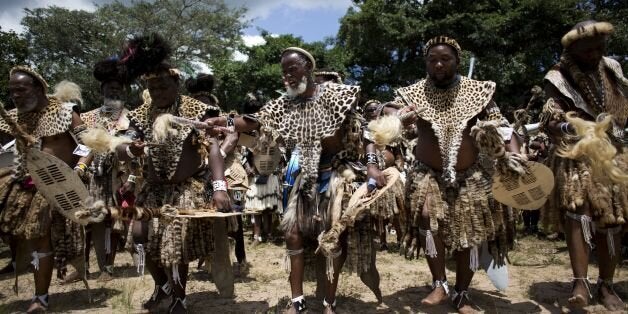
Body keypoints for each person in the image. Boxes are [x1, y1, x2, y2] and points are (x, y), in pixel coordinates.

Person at [205, 47, 385, 314]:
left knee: (334, 238)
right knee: (292, 235)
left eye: (293, 69)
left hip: (337, 175)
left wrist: (371, 167)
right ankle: (297, 301)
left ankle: (329, 302)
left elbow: (368, 134)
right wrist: (223, 120)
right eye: (284, 72)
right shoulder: (284, 104)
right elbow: (253, 121)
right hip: (305, 178)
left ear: (307, 69)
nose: (287, 76)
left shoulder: (338, 95)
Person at [381, 36, 520, 313]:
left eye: (445, 59)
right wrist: (399, 116)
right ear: (426, 64)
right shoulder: (415, 93)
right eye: (432, 60)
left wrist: (513, 154)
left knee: (468, 234)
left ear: (457, 61)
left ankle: (462, 293)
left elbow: (504, 127)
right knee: (426, 219)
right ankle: (440, 283)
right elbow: (389, 113)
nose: (439, 64)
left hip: (470, 175)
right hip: (427, 174)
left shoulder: (477, 92)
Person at [113, 34, 230, 313]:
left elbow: (213, 148)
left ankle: (179, 297)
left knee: (174, 244)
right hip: (153, 189)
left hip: (185, 188)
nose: (158, 92)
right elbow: (120, 146)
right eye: (152, 87)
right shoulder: (141, 114)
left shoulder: (197, 110)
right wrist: (132, 151)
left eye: (163, 85)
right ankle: (162, 285)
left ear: (176, 84)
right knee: (139, 237)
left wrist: (219, 186)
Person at [539, 20, 626, 311]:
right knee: (579, 212)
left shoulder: (612, 67)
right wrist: (569, 126)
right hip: (576, 155)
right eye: (588, 50)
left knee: (612, 219)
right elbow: (551, 119)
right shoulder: (558, 76)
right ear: (573, 49)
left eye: (599, 48)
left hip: (614, 154)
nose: (594, 54)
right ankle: (580, 282)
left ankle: (607, 285)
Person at [0, 66, 92, 312]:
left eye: (21, 90)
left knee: (41, 238)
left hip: (55, 186)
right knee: (21, 238)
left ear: (39, 88)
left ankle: (40, 297)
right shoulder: (12, 117)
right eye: (12, 91)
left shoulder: (65, 113)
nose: (16, 96)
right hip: (21, 185)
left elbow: (87, 146)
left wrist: (79, 170)